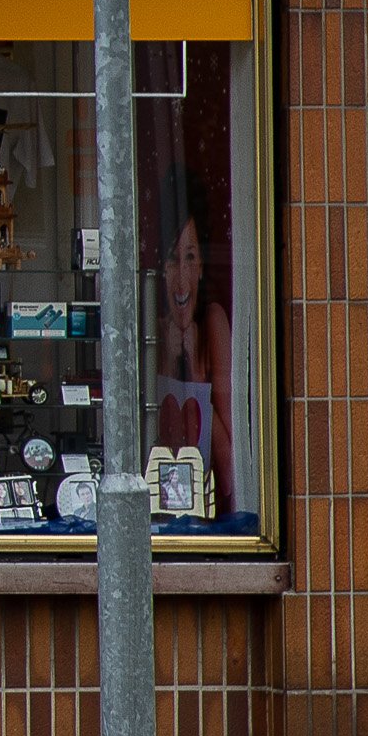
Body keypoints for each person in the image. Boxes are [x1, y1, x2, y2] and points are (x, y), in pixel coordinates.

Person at [152, 204, 241, 515]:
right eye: (172, 260)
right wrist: (167, 362)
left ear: (201, 266)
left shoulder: (213, 320)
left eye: (190, 258)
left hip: (211, 506)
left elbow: (229, 474)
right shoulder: (151, 327)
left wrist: (194, 377)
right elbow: (151, 447)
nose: (181, 277)